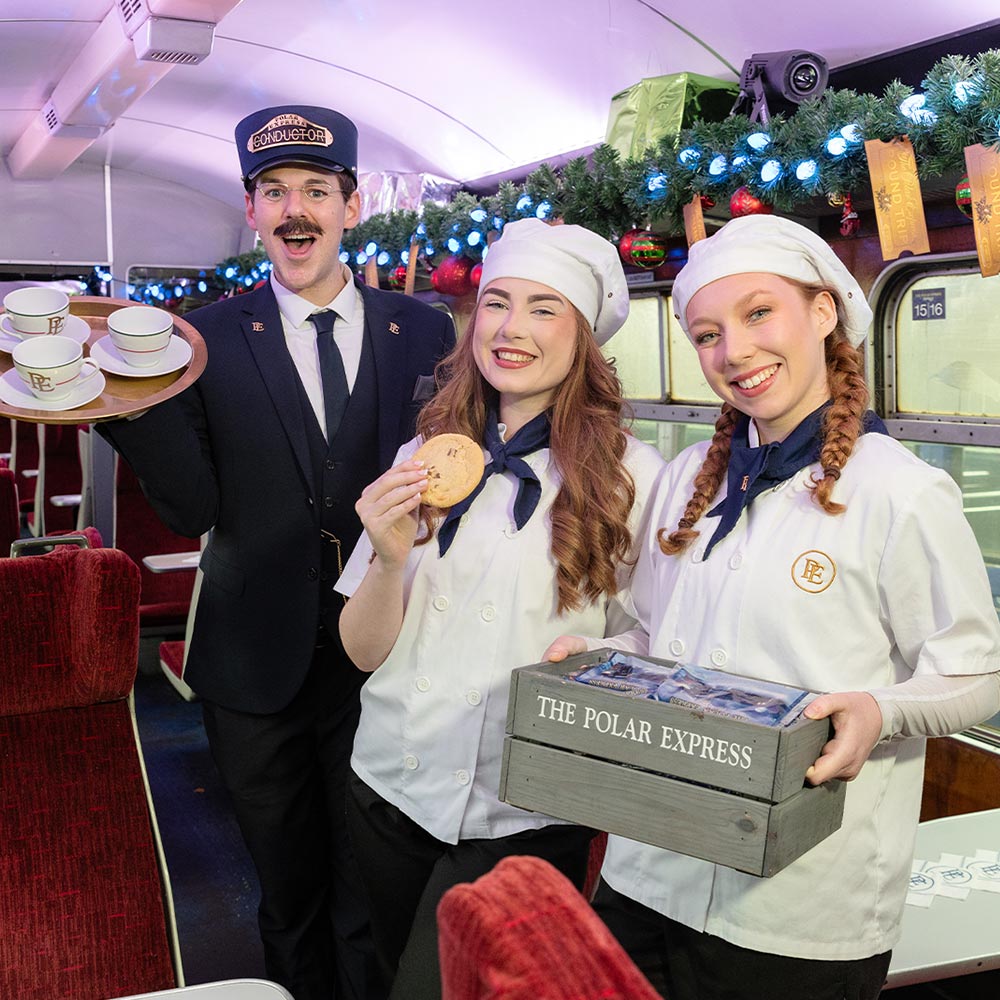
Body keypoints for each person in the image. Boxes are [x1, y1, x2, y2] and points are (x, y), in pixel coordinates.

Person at [546, 214, 1000, 1000]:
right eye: (708, 334)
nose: (735, 352)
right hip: (650, 870)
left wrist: (876, 712)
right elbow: (654, 631)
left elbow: (979, 672)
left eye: (760, 314)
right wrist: (600, 668)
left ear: (823, 313)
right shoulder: (688, 475)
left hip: (801, 905)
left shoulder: (901, 493)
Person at [98, 105, 456, 1000]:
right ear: (251, 208)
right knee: (288, 894)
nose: (296, 210)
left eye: (316, 190)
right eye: (275, 192)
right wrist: (122, 404)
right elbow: (191, 509)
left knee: (371, 889)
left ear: (352, 203)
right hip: (251, 663)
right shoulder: (201, 341)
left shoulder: (426, 332)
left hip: (386, 656)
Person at [334, 217, 668, 999]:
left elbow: (657, 644)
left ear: (583, 338)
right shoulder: (418, 457)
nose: (512, 329)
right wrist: (385, 561)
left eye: (544, 309)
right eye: (497, 303)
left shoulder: (637, 479)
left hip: (526, 814)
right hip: (390, 783)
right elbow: (361, 653)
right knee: (391, 977)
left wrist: (595, 665)